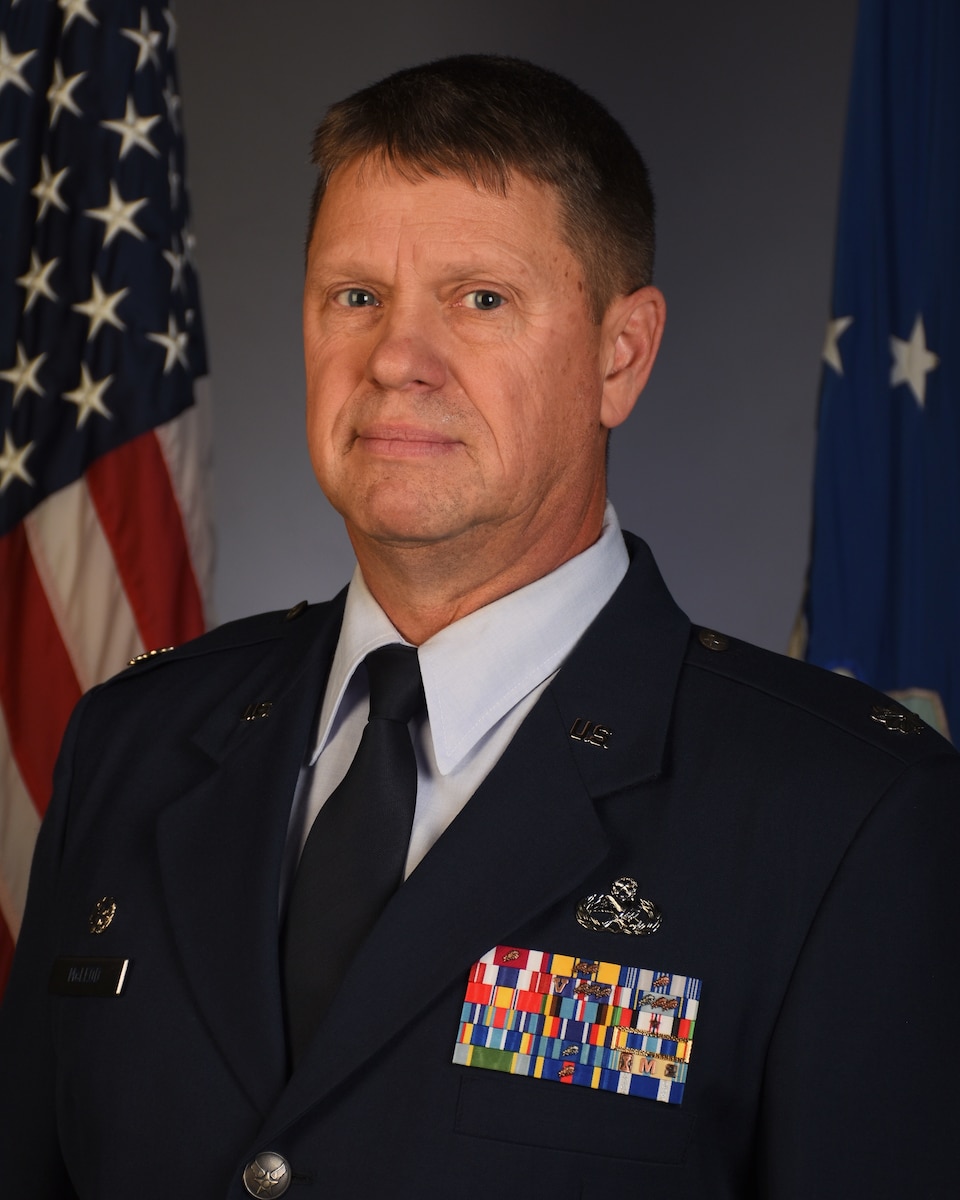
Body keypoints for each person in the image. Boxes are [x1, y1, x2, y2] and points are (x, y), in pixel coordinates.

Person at [1, 55, 957, 1199]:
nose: (397, 360)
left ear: (621, 354)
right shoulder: (132, 743)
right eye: (356, 296)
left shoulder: (847, 811)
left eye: (481, 299)